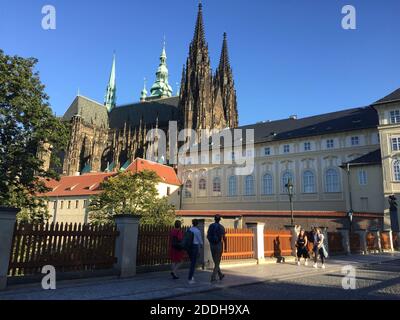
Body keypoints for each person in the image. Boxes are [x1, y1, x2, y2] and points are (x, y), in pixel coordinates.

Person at [207, 214, 227, 282]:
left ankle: (220, 275)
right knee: (217, 262)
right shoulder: (221, 227)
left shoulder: (211, 226)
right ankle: (213, 277)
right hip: (218, 245)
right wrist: (226, 247)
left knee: (215, 261)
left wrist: (210, 242)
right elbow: (224, 238)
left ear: (214, 219)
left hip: (212, 245)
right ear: (219, 220)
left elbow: (208, 236)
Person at [188, 219, 203, 284]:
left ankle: (191, 276)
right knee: (193, 263)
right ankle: (190, 278)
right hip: (195, 246)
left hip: (189, 247)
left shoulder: (189, 229)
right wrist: (201, 246)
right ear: (197, 224)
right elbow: (200, 240)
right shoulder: (197, 231)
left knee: (192, 261)